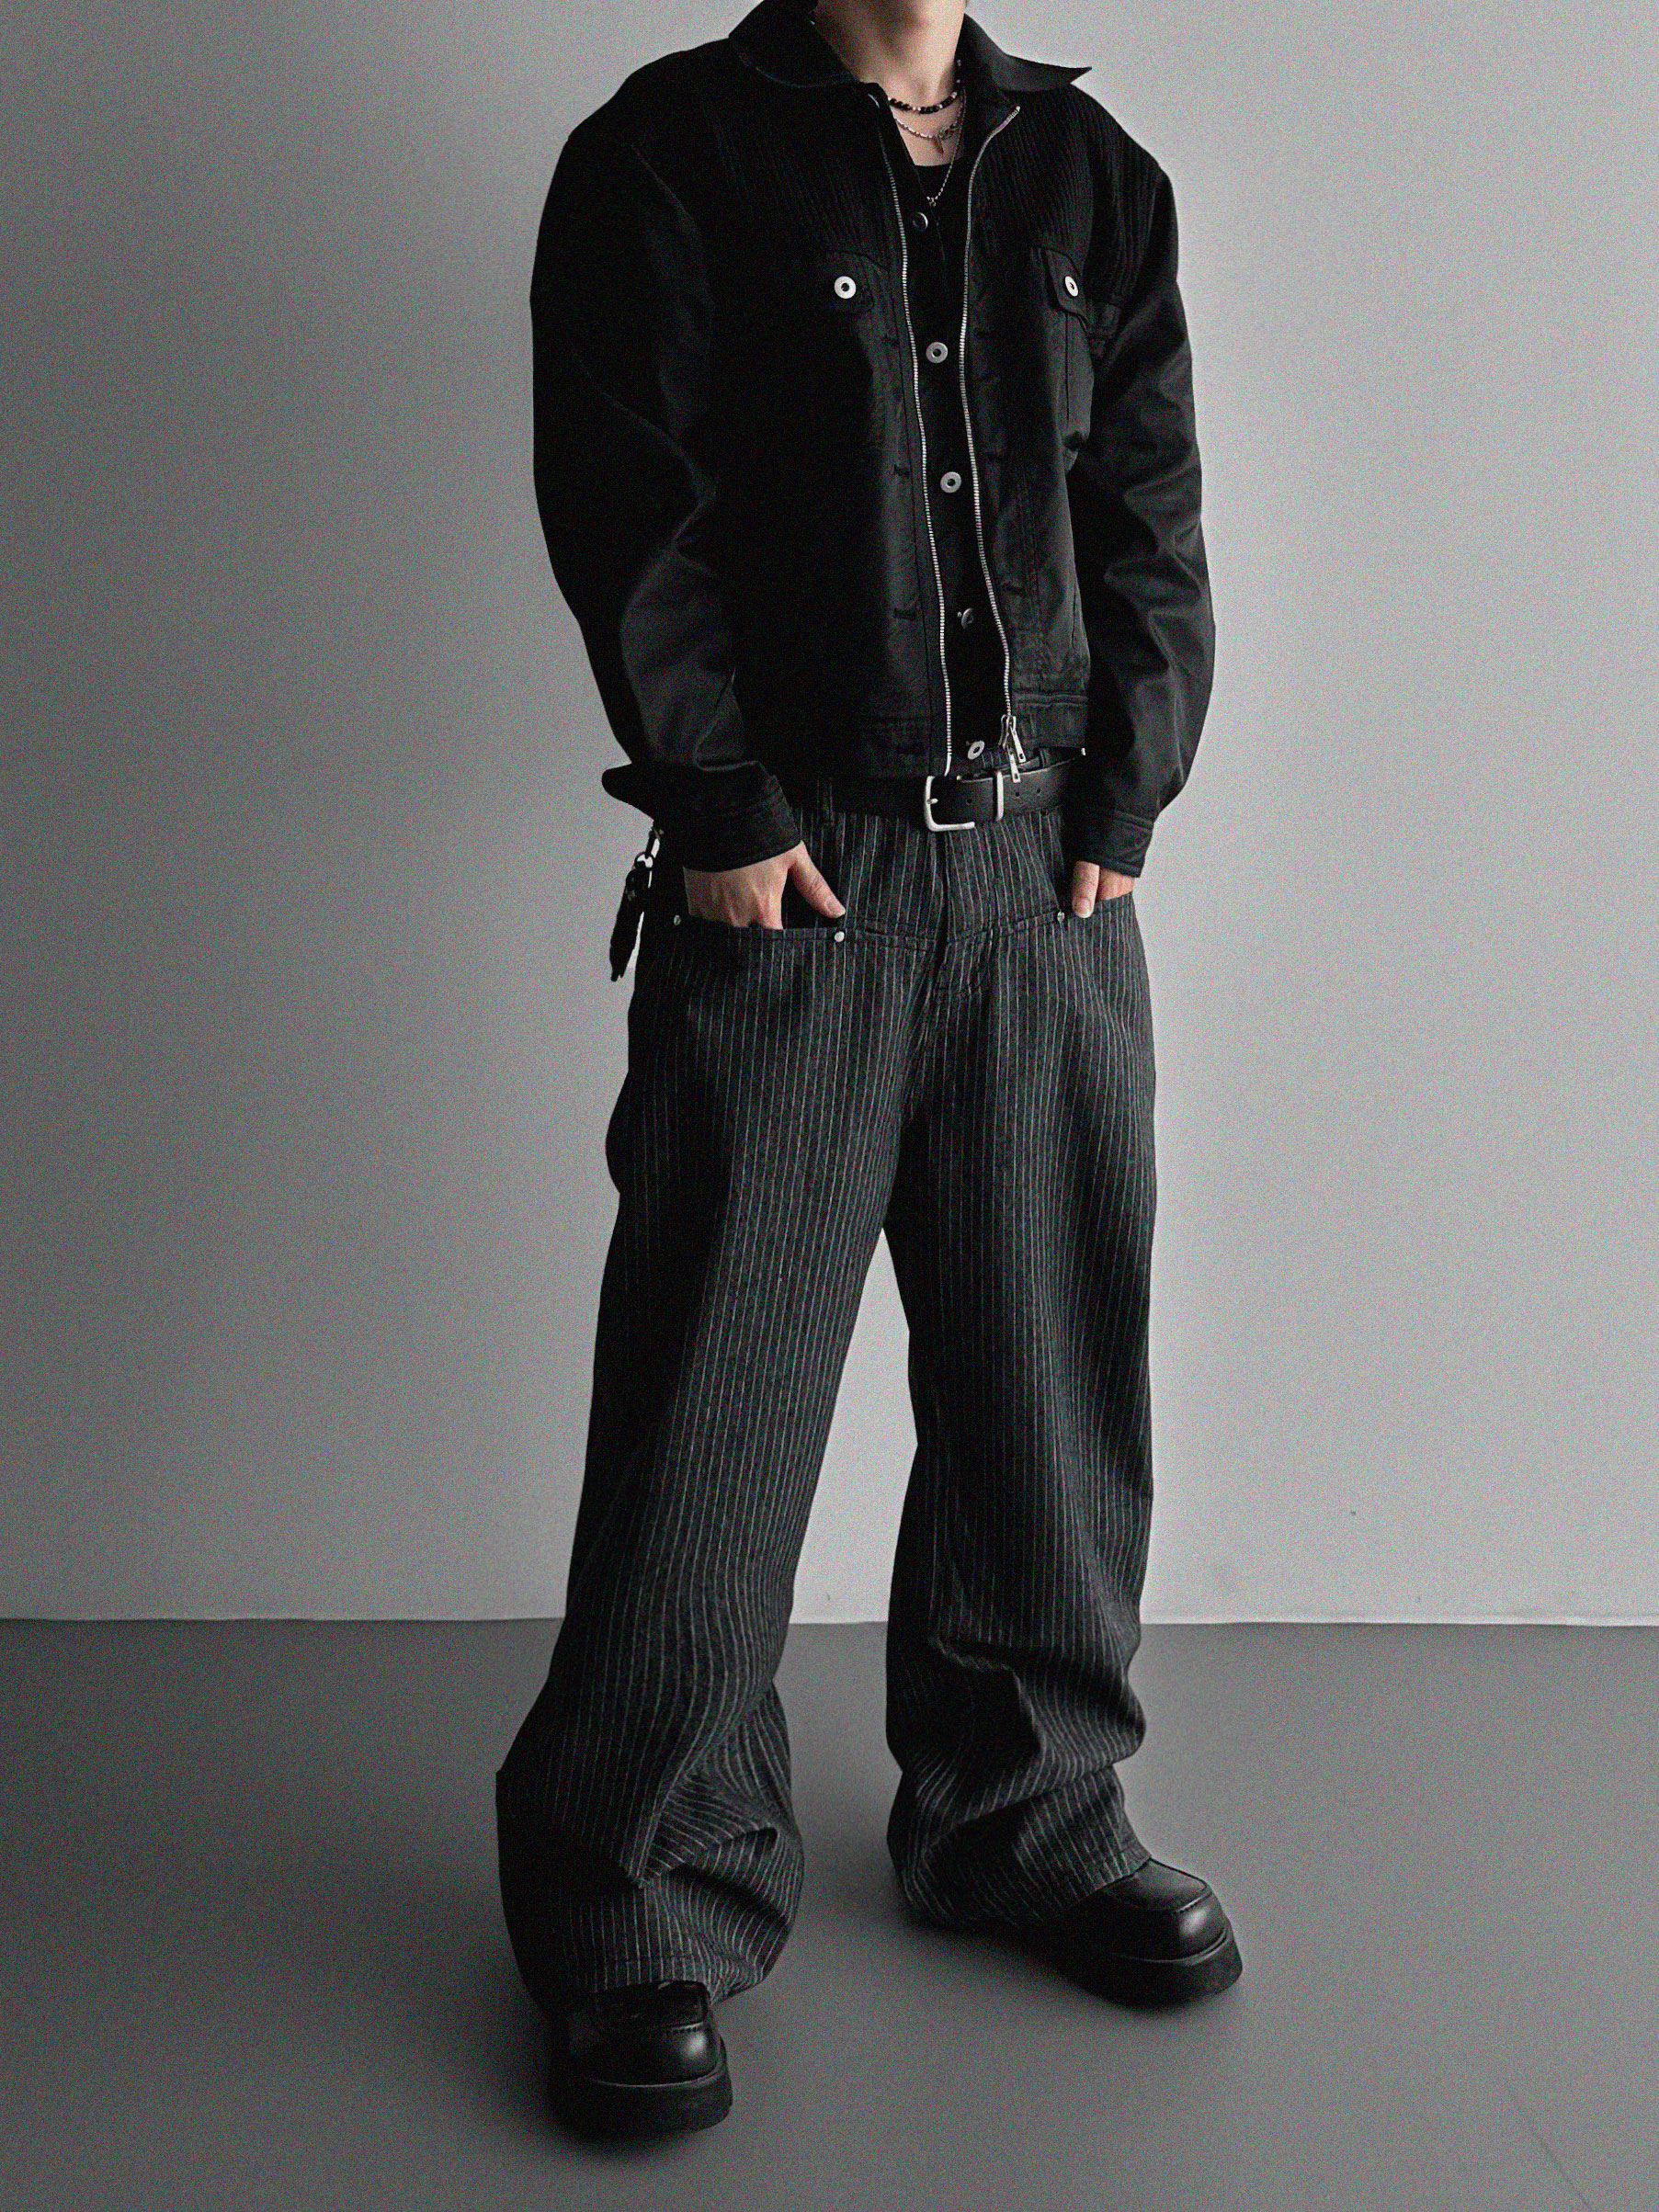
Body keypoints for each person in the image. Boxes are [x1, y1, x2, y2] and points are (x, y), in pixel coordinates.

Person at [496, 0, 1240, 2138]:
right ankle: (641, 1895)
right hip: (795, 877)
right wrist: (720, 804)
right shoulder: (667, 155)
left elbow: (1148, 501)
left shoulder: (1097, 183)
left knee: (1049, 1371)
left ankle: (1027, 1811)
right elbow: (633, 499)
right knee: (717, 1397)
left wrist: (1132, 787)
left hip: (1047, 885)